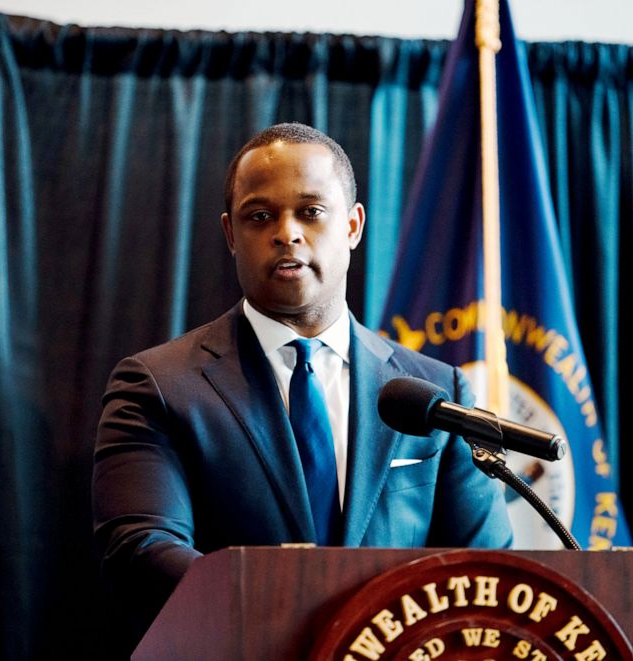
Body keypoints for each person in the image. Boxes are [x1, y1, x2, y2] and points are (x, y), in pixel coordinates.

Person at [92, 122, 513, 648]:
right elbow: (142, 549)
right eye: (260, 216)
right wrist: (294, 607)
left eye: (311, 212)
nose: (286, 232)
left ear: (354, 226)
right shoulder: (158, 386)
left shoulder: (433, 391)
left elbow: (485, 571)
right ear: (230, 234)